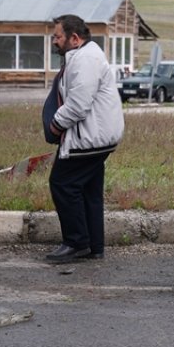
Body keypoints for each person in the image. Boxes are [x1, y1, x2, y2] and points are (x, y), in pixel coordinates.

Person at [44, 14, 125, 263]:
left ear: (74, 38)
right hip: (97, 137)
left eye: (58, 36)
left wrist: (55, 126)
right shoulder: (85, 55)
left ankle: (76, 242)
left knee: (62, 184)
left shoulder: (85, 59)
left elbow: (78, 104)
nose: (54, 41)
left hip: (88, 139)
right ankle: (94, 246)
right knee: (88, 190)